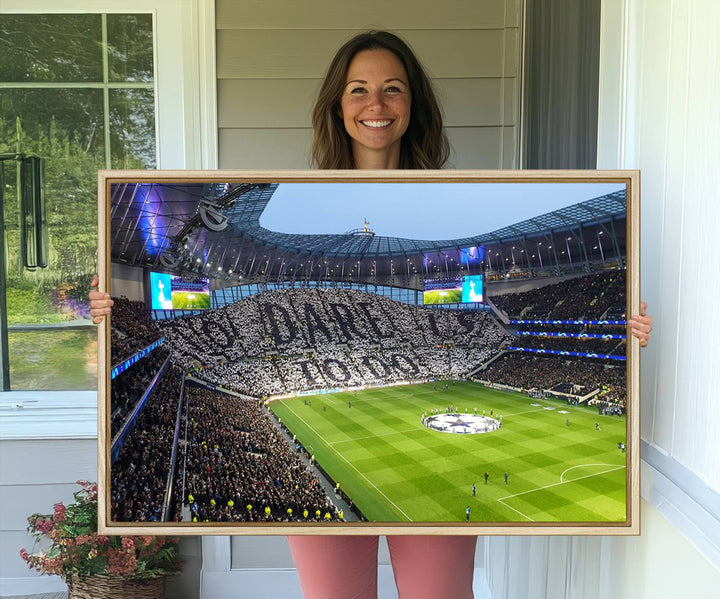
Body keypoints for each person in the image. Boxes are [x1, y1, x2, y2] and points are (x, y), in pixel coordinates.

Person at [89, 28, 654, 599]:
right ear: (338, 105)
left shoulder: (453, 200)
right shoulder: (293, 192)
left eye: (392, 89)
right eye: (358, 89)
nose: (375, 104)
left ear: (413, 105)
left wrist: (623, 325)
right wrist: (109, 307)